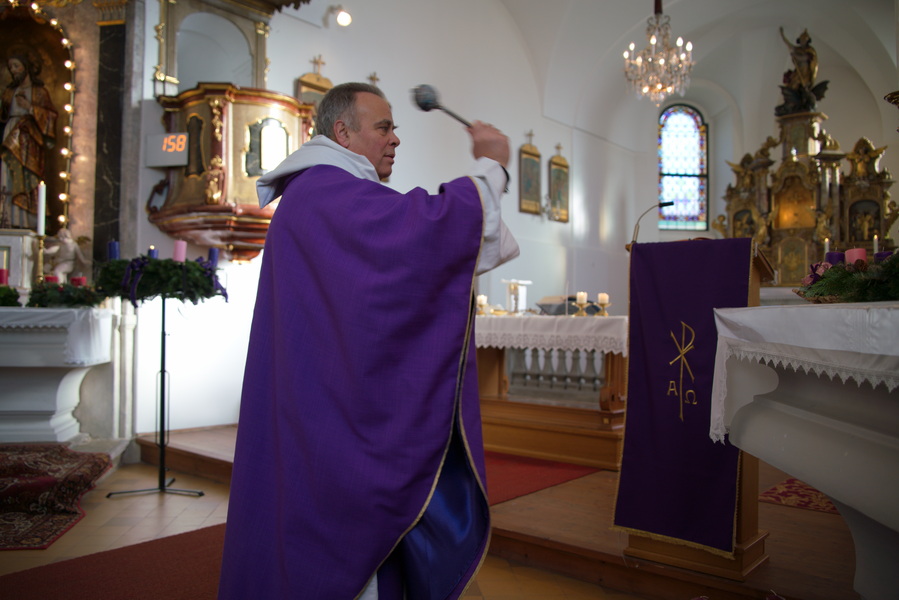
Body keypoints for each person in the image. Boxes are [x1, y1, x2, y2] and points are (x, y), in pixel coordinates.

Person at [218, 82, 519, 600]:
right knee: (333, 553)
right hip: (327, 424)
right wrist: (493, 166)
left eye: (395, 127)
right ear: (342, 131)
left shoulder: (318, 193)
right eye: (383, 127)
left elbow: (375, 298)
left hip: (316, 409)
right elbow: (424, 233)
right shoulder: (325, 192)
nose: (395, 139)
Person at [0, 51, 57, 230]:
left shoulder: (39, 92)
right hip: (11, 134)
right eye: (11, 68)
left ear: (26, 67)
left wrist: (30, 108)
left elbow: (51, 117)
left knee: (29, 177)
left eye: (16, 66)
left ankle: (27, 221)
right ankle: (7, 218)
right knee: (8, 175)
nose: (14, 70)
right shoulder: (9, 92)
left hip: (30, 137)